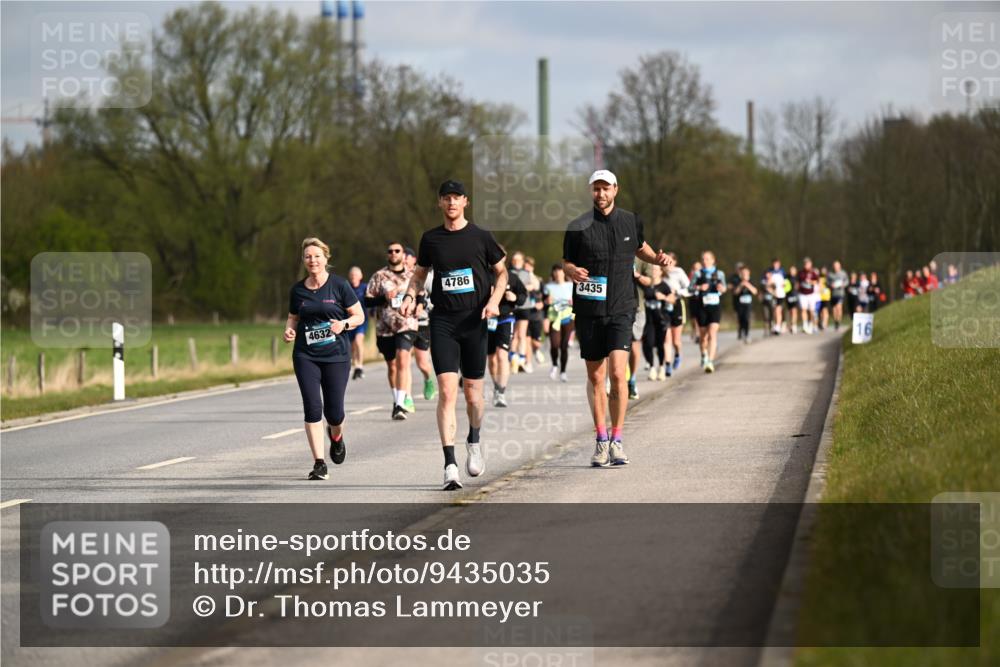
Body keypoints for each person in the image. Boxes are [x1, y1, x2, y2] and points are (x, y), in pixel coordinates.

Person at [400, 179, 507, 491]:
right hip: (443, 321)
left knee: (473, 394)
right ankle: (449, 464)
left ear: (465, 202)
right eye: (445, 198)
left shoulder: (481, 236)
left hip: (475, 321)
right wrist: (410, 296)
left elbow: (502, 273)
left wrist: (494, 301)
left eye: (456, 198)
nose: (451, 203)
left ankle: (474, 440)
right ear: (440, 203)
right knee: (448, 391)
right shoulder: (431, 239)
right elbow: (419, 275)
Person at [562, 169, 672, 468]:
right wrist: (570, 271)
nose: (601, 194)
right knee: (596, 377)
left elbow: (640, 247)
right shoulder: (578, 226)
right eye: (596, 189)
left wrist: (657, 259)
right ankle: (600, 440)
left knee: (617, 374)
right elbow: (566, 260)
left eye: (606, 188)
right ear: (591, 191)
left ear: (616, 190)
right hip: (589, 310)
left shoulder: (630, 220)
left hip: (623, 308)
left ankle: (618, 439)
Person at [284, 237, 365, 480]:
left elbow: (359, 315)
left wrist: (344, 324)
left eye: (317, 256)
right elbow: (293, 318)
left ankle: (336, 436)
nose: (312, 260)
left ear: (326, 259)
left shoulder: (340, 286)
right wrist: (289, 330)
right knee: (312, 407)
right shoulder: (297, 290)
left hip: (337, 357)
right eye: (308, 256)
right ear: (304, 261)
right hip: (305, 355)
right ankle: (319, 463)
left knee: (334, 413)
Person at [365, 243, 420, 420]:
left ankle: (400, 405)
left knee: (403, 360)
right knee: (392, 366)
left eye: (397, 251)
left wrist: (419, 306)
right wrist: (383, 298)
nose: (394, 253)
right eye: (390, 251)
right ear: (387, 255)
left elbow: (422, 296)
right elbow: (367, 301)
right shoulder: (379, 276)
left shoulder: (412, 275)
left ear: (403, 254)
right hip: (385, 327)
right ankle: (397, 398)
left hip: (407, 324)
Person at [487, 250, 528, 408]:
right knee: (491, 358)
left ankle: (501, 391)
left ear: (504, 258)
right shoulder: (485, 275)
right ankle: (497, 386)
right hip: (489, 319)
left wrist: (515, 298)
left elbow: (523, 295)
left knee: (502, 354)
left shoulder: (512, 277)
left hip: (506, 317)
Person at [405, 247, 437, 401]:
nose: (404, 259)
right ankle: (405, 397)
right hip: (402, 324)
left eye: (408, 256)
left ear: (414, 260)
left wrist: (422, 305)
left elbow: (433, 297)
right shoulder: (393, 277)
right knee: (403, 361)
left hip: (423, 322)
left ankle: (428, 379)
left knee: (422, 363)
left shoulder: (427, 277)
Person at [693, 251, 726, 372]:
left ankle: (710, 362)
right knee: (703, 337)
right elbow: (690, 288)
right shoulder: (698, 274)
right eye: (703, 259)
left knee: (712, 334)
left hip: (715, 306)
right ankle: (704, 355)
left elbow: (724, 288)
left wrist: (721, 288)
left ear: (713, 260)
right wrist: (699, 287)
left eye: (707, 259)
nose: (704, 261)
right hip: (701, 307)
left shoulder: (720, 273)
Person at [544, 263, 575, 382]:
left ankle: (563, 372)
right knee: (554, 345)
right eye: (555, 271)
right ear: (553, 273)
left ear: (564, 273)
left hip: (568, 318)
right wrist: (547, 301)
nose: (557, 273)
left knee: (564, 346)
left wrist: (573, 302)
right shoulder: (548, 287)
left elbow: (577, 301)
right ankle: (554, 365)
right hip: (554, 318)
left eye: (559, 271)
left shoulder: (570, 285)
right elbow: (544, 302)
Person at [642, 264, 672, 380]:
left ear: (661, 272)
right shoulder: (646, 285)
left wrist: (663, 297)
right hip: (648, 321)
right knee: (648, 344)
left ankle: (661, 367)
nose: (653, 272)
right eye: (651, 270)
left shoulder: (664, 286)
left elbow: (673, 299)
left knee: (660, 345)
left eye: (655, 270)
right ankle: (652, 368)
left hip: (661, 320)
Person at [628, 262, 653, 399]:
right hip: (616, 305)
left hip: (638, 307)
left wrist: (636, 275)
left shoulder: (643, 257)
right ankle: (611, 380)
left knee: (634, 343)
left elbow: (649, 281)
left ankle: (632, 379)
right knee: (614, 343)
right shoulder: (613, 246)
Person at [663, 253, 690, 372]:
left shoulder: (679, 272)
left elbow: (689, 288)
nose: (668, 263)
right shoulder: (660, 272)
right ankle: (668, 364)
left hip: (677, 305)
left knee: (676, 340)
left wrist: (677, 291)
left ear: (675, 262)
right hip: (664, 306)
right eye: (666, 260)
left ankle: (678, 355)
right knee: (666, 338)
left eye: (670, 260)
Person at [523, 256, 547, 367]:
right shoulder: (520, 279)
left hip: (536, 314)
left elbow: (545, 296)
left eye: (529, 265)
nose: (527, 268)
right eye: (525, 266)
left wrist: (542, 303)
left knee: (535, 341)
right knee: (526, 339)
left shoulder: (539, 279)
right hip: (525, 312)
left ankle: (536, 350)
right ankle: (528, 363)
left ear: (532, 267)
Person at [346, 266, 368, 379]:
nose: (353, 277)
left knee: (359, 341)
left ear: (360, 276)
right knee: (351, 347)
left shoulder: (365, 288)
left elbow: (370, 301)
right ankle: (356, 366)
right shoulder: (346, 288)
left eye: (356, 275)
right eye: (352, 275)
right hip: (348, 321)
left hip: (361, 321)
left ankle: (360, 366)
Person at [732, 265, 758, 343]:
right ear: (741, 273)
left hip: (748, 304)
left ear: (748, 273)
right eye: (743, 273)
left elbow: (755, 291)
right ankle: (741, 331)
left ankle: (747, 334)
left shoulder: (751, 280)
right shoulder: (737, 281)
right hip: (739, 304)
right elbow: (735, 292)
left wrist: (747, 284)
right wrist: (741, 285)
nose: (744, 274)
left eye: (746, 273)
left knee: (747, 318)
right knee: (741, 319)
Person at [797, 257, 820, 335]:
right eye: (805, 264)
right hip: (802, 294)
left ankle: (811, 325)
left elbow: (817, 282)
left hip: (811, 294)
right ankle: (805, 324)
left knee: (811, 311)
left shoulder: (814, 272)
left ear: (810, 264)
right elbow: (798, 282)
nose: (806, 265)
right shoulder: (800, 273)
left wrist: (810, 282)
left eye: (808, 264)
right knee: (803, 309)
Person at [767, 258, 786, 335]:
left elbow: (785, 283)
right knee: (774, 311)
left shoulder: (782, 272)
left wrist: (783, 286)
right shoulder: (770, 272)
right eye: (774, 263)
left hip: (780, 295)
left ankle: (778, 327)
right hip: (773, 295)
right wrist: (772, 291)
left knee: (778, 310)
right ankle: (774, 325)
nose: (776, 265)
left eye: (777, 263)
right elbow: (768, 284)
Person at [828, 260, 848, 331]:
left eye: (837, 266)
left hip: (840, 293)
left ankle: (839, 321)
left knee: (839, 307)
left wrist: (843, 284)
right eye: (834, 266)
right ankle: (835, 321)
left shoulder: (843, 273)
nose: (836, 267)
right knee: (834, 309)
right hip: (833, 294)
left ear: (839, 266)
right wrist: (831, 285)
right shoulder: (830, 274)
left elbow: (846, 281)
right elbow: (828, 283)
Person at [785, 266, 800, 333]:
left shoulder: (797, 278)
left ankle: (794, 325)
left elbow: (799, 286)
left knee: (794, 311)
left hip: (795, 295)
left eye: (793, 270)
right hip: (788, 296)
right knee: (789, 311)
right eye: (791, 270)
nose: (792, 272)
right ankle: (789, 325)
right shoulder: (786, 277)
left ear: (795, 271)